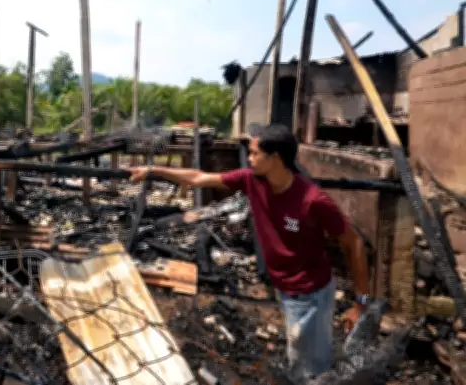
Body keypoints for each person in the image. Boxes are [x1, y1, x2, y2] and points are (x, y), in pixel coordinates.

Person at [126, 124, 370, 379]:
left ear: (275, 158)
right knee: (300, 356)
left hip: (310, 296)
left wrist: (360, 303)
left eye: (254, 153)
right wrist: (153, 170)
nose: (249, 158)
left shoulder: (313, 200)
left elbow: (354, 244)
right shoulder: (251, 180)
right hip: (285, 289)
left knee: (312, 370)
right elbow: (198, 177)